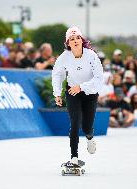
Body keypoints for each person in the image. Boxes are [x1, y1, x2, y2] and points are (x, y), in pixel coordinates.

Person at [52, 26, 104, 165]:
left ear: (82, 40)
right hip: (72, 92)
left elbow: (99, 78)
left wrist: (81, 87)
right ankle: (74, 157)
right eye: (72, 39)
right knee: (75, 123)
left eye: (78, 38)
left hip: (90, 93)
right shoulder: (64, 57)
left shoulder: (91, 55)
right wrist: (57, 93)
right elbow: (57, 75)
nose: (75, 41)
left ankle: (90, 137)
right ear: (68, 43)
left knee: (86, 126)